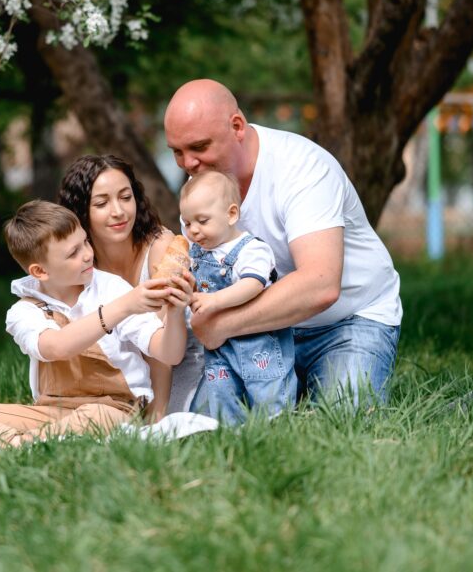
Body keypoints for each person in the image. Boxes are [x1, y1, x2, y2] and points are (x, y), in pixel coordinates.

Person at [164, 79, 402, 406]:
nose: (189, 164)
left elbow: (321, 284)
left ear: (237, 126)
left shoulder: (302, 168)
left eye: (200, 147)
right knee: (207, 425)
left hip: (344, 320)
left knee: (343, 426)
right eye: (178, 152)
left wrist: (223, 325)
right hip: (258, 332)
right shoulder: (200, 192)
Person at [0, 201, 192, 445]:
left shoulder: (111, 289)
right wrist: (124, 306)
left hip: (115, 410)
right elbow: (56, 347)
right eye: (73, 252)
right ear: (40, 271)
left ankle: (20, 444)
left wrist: (176, 312)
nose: (87, 254)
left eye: (85, 242)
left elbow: (169, 353)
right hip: (50, 413)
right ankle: (23, 443)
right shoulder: (24, 311)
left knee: (97, 416)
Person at [58, 154, 205, 420]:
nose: (118, 211)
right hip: (118, 378)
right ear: (81, 210)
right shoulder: (81, 266)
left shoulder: (162, 248)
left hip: (176, 366)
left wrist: (155, 422)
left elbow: (159, 350)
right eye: (102, 203)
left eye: (126, 197)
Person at [180, 170, 297, 424]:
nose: (194, 231)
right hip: (220, 346)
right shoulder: (198, 252)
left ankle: (278, 431)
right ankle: (231, 435)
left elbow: (252, 284)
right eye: (188, 223)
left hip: (259, 341)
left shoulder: (251, 249)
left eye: (202, 221)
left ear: (231, 214)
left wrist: (214, 301)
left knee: (267, 391)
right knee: (222, 393)